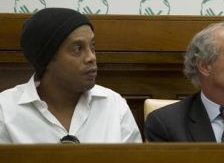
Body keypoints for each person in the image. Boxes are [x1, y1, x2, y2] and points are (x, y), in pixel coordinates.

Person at [0, 8, 142, 143]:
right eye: (77, 49)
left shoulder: (114, 106)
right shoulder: (5, 111)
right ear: (47, 58)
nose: (91, 57)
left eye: (92, 46)